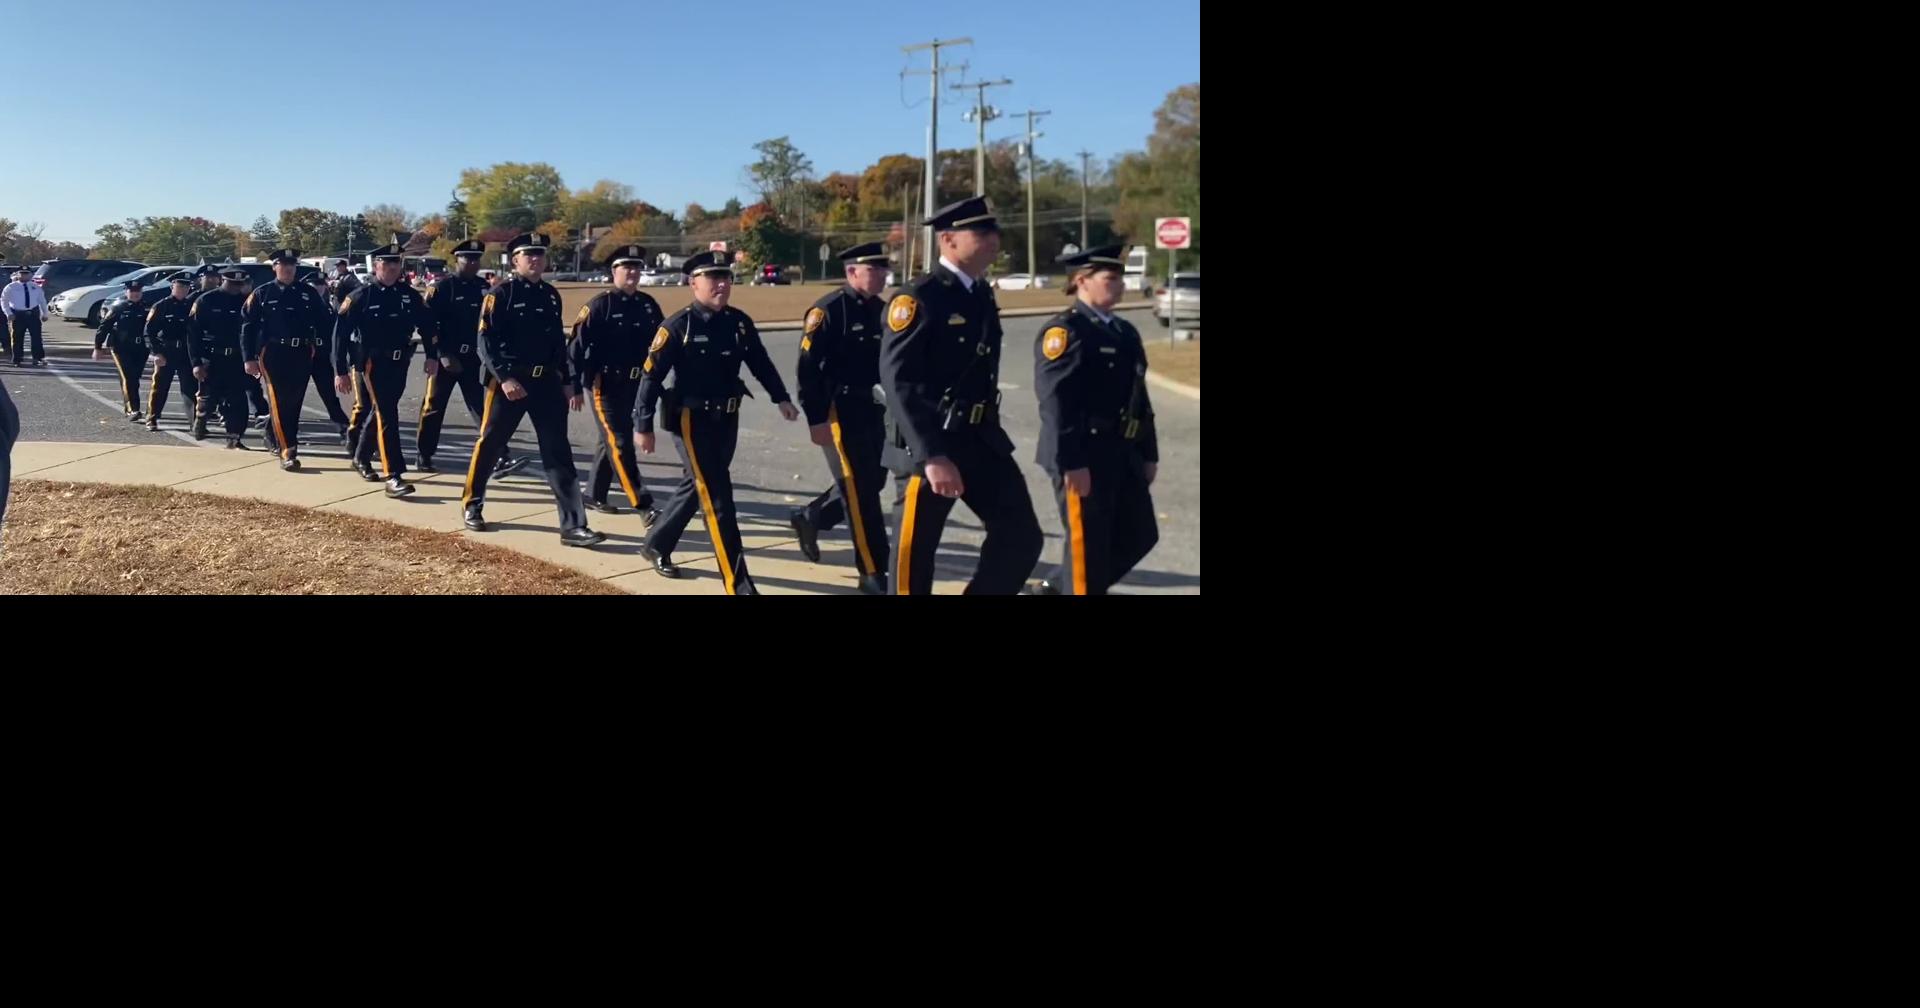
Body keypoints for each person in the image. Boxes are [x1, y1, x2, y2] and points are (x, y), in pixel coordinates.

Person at [879, 195, 1042, 594]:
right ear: (948, 239)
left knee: (1021, 536)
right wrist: (931, 454)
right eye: (982, 232)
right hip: (931, 445)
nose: (994, 239)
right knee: (914, 557)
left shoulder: (980, 294)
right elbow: (897, 380)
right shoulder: (920, 297)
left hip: (980, 439)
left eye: (995, 231)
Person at [633, 249, 798, 593]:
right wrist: (642, 425)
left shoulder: (738, 322)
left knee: (698, 486)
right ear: (693, 284)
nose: (721, 284)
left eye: (726, 278)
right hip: (691, 420)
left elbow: (761, 363)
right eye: (712, 278)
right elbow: (650, 379)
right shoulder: (678, 326)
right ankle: (738, 584)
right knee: (719, 500)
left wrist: (781, 397)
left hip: (727, 418)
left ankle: (657, 545)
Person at [457, 232, 605, 547]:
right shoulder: (501, 294)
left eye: (539, 254)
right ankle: (472, 504)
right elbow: (486, 342)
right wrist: (506, 377)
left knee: (558, 451)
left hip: (547, 383)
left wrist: (568, 381)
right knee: (490, 443)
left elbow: (557, 343)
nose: (535, 260)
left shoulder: (551, 295)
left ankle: (573, 525)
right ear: (515, 261)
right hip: (510, 383)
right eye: (528, 255)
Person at [1029, 245, 1160, 595]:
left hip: (1122, 452)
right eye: (1110, 278)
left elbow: (1139, 399)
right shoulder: (1066, 331)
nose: (1119, 286)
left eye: (1120, 278)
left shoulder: (1124, 331)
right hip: (1082, 454)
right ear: (1081, 280)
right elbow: (1056, 402)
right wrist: (1071, 461)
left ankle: (1058, 587)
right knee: (1088, 545)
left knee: (1140, 534)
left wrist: (1149, 453)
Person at [788, 241, 892, 594]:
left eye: (883, 269)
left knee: (873, 480)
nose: (881, 275)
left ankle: (812, 517)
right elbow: (807, 371)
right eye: (873, 269)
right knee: (860, 491)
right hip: (839, 411)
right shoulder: (828, 311)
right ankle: (873, 570)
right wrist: (815, 418)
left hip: (875, 410)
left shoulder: (885, 310)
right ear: (852, 272)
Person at [568, 243, 662, 520]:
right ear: (614, 272)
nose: (632, 272)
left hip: (636, 386)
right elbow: (574, 348)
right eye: (626, 267)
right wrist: (574, 387)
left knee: (608, 441)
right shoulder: (600, 305)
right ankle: (643, 505)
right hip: (605, 385)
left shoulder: (647, 305)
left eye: (636, 267)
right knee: (620, 443)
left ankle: (594, 494)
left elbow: (661, 345)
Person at [331, 244, 431, 495]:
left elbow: (428, 326)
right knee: (387, 414)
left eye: (395, 265)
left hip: (400, 362)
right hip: (371, 362)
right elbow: (340, 335)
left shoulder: (408, 295)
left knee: (380, 411)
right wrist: (340, 370)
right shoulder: (361, 296)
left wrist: (432, 355)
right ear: (376, 267)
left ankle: (361, 457)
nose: (391, 269)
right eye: (386, 265)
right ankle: (393, 474)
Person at [417, 239, 521, 476]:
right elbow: (428, 325)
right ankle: (424, 454)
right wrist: (440, 354)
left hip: (474, 360)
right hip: (447, 359)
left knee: (482, 410)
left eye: (476, 259)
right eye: (468, 259)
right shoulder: (442, 288)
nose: (473, 263)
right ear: (457, 260)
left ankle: (500, 456)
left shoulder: (485, 288)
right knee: (433, 408)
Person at [242, 248, 331, 471]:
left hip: (301, 352)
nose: (288, 269)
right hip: (272, 353)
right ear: (274, 267)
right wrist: (248, 358)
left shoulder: (307, 293)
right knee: (279, 400)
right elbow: (247, 327)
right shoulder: (262, 293)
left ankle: (272, 433)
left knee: (294, 401)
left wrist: (325, 350)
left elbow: (324, 322)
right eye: (283, 264)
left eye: (292, 265)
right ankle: (288, 450)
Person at [189, 268, 254, 450]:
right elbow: (193, 334)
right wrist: (196, 362)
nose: (236, 288)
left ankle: (234, 437)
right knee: (209, 398)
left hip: (236, 359)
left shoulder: (245, 302)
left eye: (239, 285)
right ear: (222, 281)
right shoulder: (206, 300)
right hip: (212, 358)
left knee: (238, 401)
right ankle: (201, 419)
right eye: (232, 284)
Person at [142, 274, 200, 432]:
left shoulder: (192, 306)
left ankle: (194, 423)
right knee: (160, 387)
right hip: (166, 351)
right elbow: (149, 331)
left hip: (185, 352)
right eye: (180, 287)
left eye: (186, 287)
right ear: (172, 287)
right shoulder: (162, 306)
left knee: (190, 389)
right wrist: (156, 352)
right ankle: (152, 418)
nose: (183, 290)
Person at [304, 273, 352, 443]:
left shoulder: (328, 307)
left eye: (321, 285)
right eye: (314, 285)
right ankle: (274, 432)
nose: (318, 288)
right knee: (291, 400)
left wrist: (338, 360)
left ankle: (345, 431)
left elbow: (335, 335)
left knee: (330, 397)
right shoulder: (301, 305)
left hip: (322, 357)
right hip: (302, 356)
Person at [93, 279, 151, 420]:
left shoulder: (147, 307)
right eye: (132, 291)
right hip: (120, 347)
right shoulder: (118, 307)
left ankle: (133, 406)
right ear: (126, 292)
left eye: (138, 291)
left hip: (141, 348)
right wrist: (98, 347)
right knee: (128, 377)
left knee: (135, 378)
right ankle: (133, 410)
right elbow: (104, 327)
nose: (135, 294)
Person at [4, 265, 48, 366]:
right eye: (21, 274)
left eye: (26, 274)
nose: (24, 276)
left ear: (30, 275)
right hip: (17, 314)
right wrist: (8, 313)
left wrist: (45, 313)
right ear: (17, 274)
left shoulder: (35, 286)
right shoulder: (11, 287)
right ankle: (17, 359)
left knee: (36, 337)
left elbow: (42, 300)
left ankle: (38, 357)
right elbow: (4, 301)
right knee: (17, 337)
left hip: (33, 313)